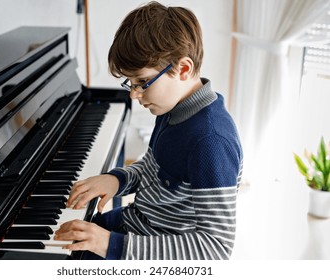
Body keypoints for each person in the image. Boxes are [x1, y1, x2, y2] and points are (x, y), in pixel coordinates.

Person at [54, 1, 243, 260]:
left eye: (142, 82)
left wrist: (109, 244)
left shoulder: (210, 142)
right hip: (138, 224)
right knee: (63, 242)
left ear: (183, 69)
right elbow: (154, 169)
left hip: (157, 252)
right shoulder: (172, 109)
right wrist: (117, 180)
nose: (134, 94)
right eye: (130, 83)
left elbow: (215, 248)